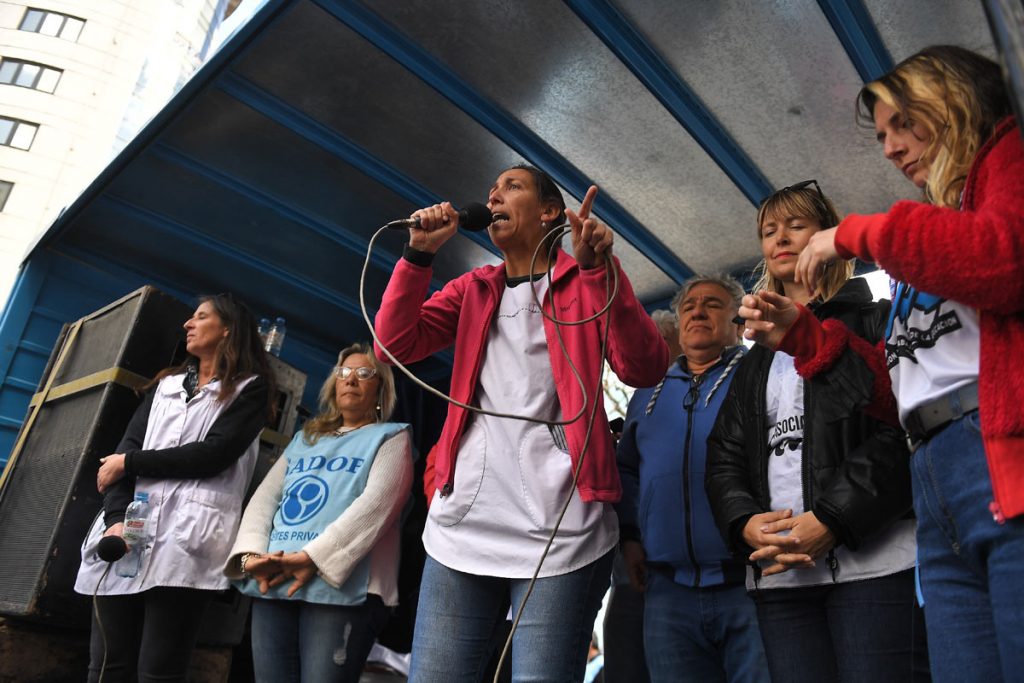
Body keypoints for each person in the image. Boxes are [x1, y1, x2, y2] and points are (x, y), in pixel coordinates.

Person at [749, 46, 1024, 681]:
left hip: (996, 457)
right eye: (882, 135)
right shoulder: (925, 237)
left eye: (903, 122)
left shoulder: (1008, 155)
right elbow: (898, 392)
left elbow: (1005, 261)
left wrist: (858, 234)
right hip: (934, 479)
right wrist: (808, 340)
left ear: (952, 98)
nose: (891, 149)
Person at [373, 164, 669, 681]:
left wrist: (605, 273)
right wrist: (418, 255)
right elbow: (392, 346)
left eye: (512, 187)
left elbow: (645, 368)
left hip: (560, 527)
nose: (493, 195)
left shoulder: (586, 278)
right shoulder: (474, 288)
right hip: (463, 524)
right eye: (491, 190)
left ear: (550, 211)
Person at [705, 183, 928, 683]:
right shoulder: (750, 360)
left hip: (875, 568)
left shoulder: (875, 319)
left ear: (826, 235)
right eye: (768, 230)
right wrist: (743, 522)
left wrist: (832, 518)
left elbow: (903, 431)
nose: (780, 236)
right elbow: (724, 455)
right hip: (780, 582)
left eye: (796, 225)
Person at [75, 293, 274, 683]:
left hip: (187, 545)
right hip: (128, 535)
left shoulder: (250, 389)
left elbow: (212, 454)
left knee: (158, 672)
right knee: (105, 666)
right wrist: (116, 519)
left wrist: (130, 463)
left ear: (228, 330)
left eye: (201, 317)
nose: (188, 324)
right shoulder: (164, 386)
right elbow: (123, 454)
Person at [225, 343, 412, 683]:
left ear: (382, 390)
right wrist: (252, 554)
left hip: (344, 589)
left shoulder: (391, 438)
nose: (351, 380)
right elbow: (265, 500)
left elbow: (376, 507)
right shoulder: (304, 440)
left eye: (364, 373)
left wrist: (313, 557)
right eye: (343, 373)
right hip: (277, 576)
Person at [617, 274, 768, 683]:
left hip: (753, 582)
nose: (698, 311)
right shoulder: (647, 392)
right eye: (689, 306)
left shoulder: (761, 376)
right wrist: (630, 536)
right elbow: (627, 469)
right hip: (668, 591)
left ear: (738, 324)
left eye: (713, 304)